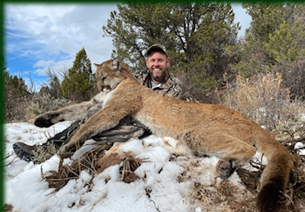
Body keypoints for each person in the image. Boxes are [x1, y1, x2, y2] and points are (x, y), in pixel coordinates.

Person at [13, 44, 183, 163]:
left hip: (143, 125)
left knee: (101, 118)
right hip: (120, 113)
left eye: (160, 60)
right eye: (152, 60)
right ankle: (45, 148)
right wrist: (60, 113)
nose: (156, 64)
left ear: (167, 62)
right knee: (94, 111)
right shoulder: (133, 77)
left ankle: (80, 143)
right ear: (147, 63)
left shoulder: (174, 88)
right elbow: (93, 103)